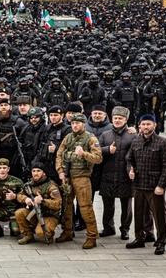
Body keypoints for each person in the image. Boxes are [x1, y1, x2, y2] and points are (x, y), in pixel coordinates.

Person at [126, 114, 166, 254]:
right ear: (139, 125)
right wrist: (130, 170)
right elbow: (129, 159)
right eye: (143, 124)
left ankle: (161, 241)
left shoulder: (162, 142)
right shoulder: (136, 141)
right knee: (139, 214)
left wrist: (161, 186)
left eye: (148, 124)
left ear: (154, 125)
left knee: (159, 215)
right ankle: (140, 238)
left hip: (154, 186)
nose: (145, 127)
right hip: (139, 184)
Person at [55, 113, 102, 249]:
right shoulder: (68, 137)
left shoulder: (90, 138)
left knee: (85, 207)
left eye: (78, 123)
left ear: (83, 124)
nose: (75, 126)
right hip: (67, 177)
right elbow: (59, 155)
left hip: (82, 177)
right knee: (67, 206)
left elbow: (98, 158)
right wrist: (60, 171)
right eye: (73, 123)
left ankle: (92, 236)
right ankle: (67, 232)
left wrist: (84, 154)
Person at [98, 106, 135, 240]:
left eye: (120, 118)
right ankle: (108, 227)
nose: (117, 120)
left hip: (125, 176)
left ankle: (125, 229)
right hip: (108, 175)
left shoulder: (132, 135)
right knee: (108, 205)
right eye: (115, 118)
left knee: (127, 206)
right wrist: (108, 150)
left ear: (126, 120)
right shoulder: (105, 135)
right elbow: (96, 151)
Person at [14, 163, 63, 245]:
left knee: (41, 233)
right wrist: (25, 199)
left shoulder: (51, 186)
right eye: (33, 171)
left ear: (44, 173)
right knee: (19, 213)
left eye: (38, 171)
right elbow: (19, 195)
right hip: (35, 213)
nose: (35, 173)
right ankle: (28, 235)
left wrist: (43, 201)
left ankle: (49, 235)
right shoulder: (29, 184)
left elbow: (57, 204)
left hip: (49, 215)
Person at [0, 158, 24, 238]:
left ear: (8, 169)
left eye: (4, 168)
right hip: (2, 209)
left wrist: (15, 196)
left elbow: (24, 196)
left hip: (15, 210)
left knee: (16, 232)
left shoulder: (17, 182)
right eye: (0, 168)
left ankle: (13, 225)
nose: (2, 170)